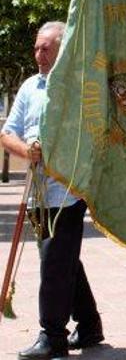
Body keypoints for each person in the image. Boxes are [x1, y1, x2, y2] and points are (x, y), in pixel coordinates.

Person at [2, 22, 104, 360]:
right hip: (37, 193)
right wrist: (25, 151)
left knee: (54, 265)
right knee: (64, 261)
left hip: (67, 192)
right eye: (36, 47)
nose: (38, 54)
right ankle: (89, 327)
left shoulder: (76, 88)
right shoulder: (30, 86)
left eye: (46, 48)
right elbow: (7, 133)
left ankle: (52, 336)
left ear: (62, 49)